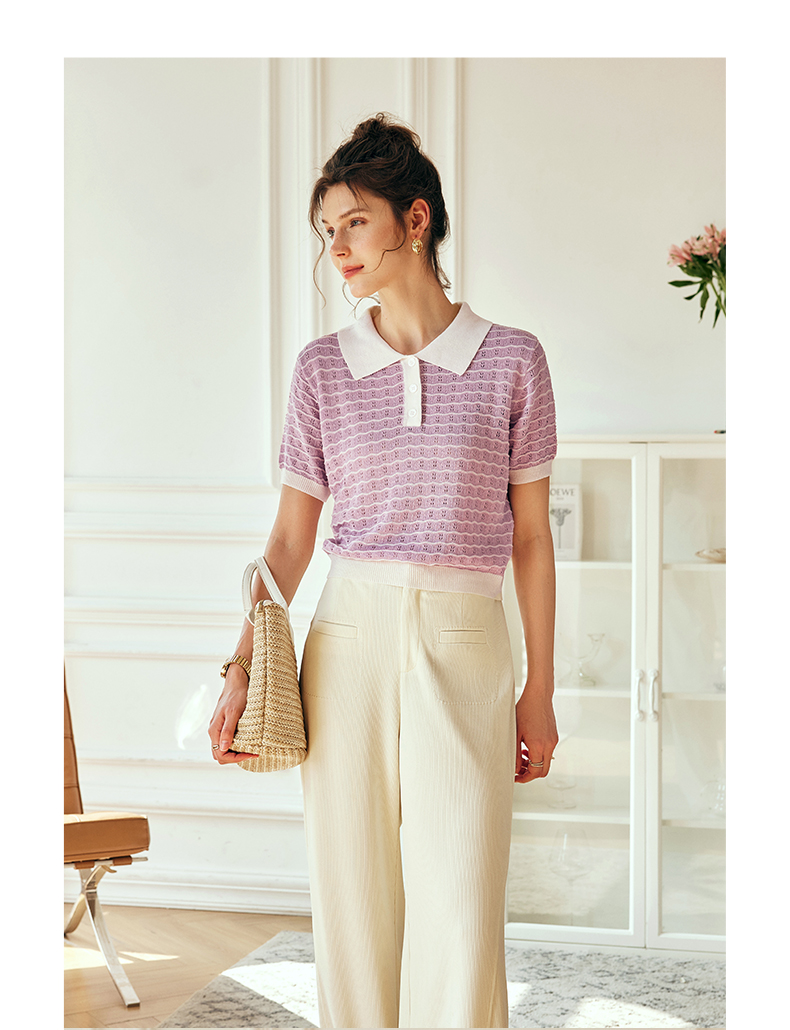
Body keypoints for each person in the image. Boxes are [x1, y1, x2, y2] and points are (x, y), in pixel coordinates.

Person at [208, 112, 559, 1030]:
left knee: (462, 904)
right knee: (353, 900)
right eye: (327, 231)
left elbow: (531, 539)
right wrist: (241, 666)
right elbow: (290, 542)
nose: (337, 249)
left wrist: (541, 688)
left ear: (416, 218)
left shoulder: (513, 360)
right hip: (348, 639)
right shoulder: (321, 370)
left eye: (354, 223)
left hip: (468, 638)